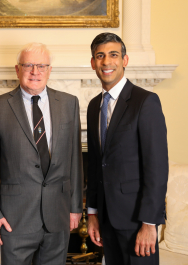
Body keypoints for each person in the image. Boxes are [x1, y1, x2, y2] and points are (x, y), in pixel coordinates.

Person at [0, 42, 83, 265]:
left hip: (58, 214)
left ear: (49, 70)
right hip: (14, 219)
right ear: (17, 69)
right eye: (28, 65)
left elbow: (75, 161)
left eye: (41, 66)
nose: (35, 72)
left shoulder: (69, 104)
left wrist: (75, 208)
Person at [86, 32, 168, 265]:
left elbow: (157, 168)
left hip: (137, 222)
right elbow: (95, 165)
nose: (106, 62)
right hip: (106, 222)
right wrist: (92, 214)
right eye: (100, 56)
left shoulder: (145, 102)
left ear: (125, 60)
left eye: (113, 54)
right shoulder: (94, 106)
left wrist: (149, 224)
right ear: (93, 63)